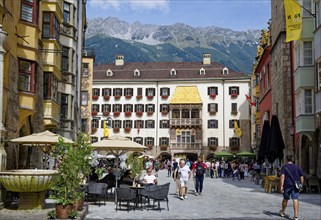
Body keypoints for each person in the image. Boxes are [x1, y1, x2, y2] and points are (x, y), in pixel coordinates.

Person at [279, 155, 304, 220]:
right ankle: (296, 216)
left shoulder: (284, 167)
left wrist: (281, 186)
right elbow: (301, 177)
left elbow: (282, 177)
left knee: (285, 199)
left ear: (286, 159)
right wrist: (301, 185)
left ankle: (283, 211)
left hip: (287, 185)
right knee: (295, 199)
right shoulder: (297, 167)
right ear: (292, 160)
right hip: (295, 186)